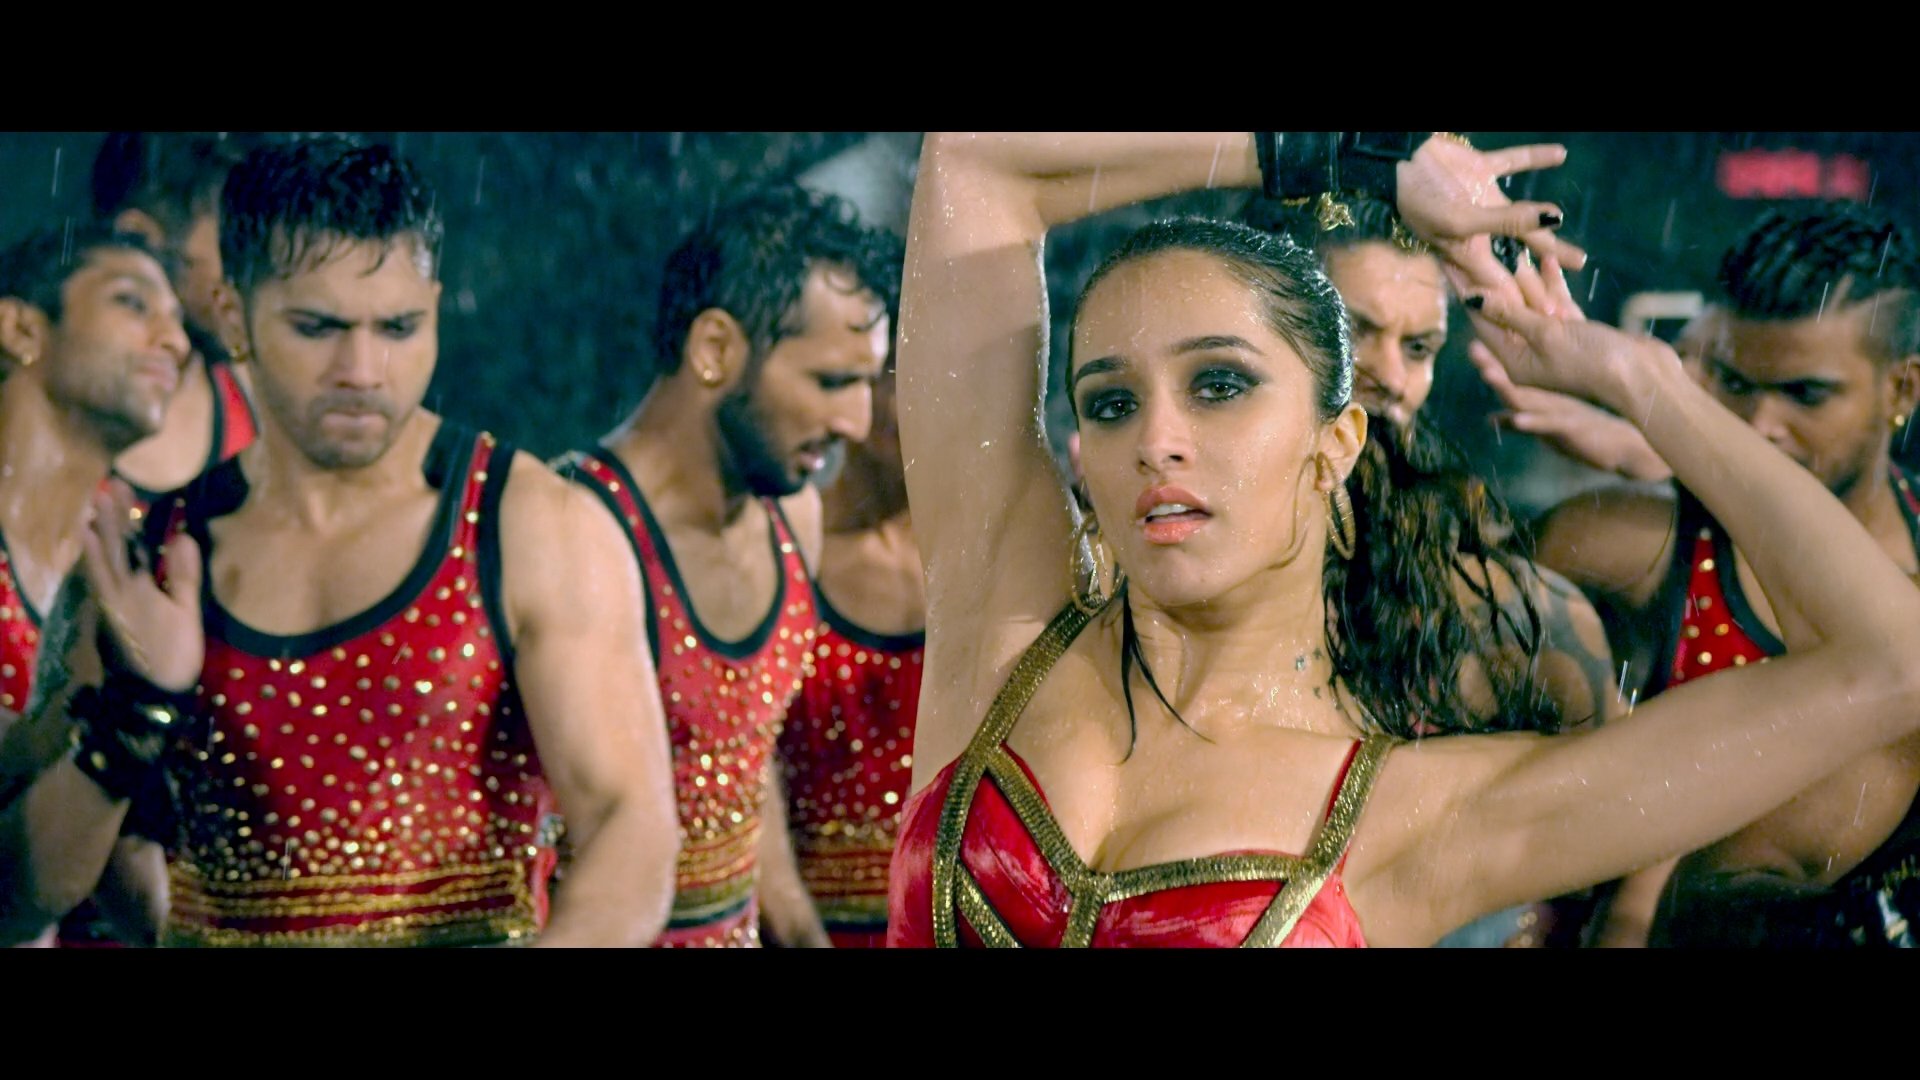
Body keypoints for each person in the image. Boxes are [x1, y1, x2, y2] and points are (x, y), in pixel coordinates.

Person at [885, 131, 1920, 949]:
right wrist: (1354, 150)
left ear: (1334, 442)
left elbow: (1892, 663)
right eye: (1110, 403)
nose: (1157, 439)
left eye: (1220, 384)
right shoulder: (1005, 629)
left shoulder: (1424, 812)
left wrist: (1639, 382)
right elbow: (977, 159)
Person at [2, 136, 680, 947]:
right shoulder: (152, 560)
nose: (362, 369)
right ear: (234, 317)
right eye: (317, 327)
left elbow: (632, 836)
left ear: (435, 310)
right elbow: (19, 897)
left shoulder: (537, 525)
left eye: (398, 326)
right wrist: (129, 717)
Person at [1528, 204, 1920, 947]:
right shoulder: (1624, 546)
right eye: (1736, 383)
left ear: (1902, 390)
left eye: (1805, 393)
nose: (1761, 423)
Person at [1255, 194, 1628, 946]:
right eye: (1352, 333)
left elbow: (1639, 812)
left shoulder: (1499, 608)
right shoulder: (1148, 570)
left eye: (1420, 347)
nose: (1391, 376)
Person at [558, 186, 899, 947]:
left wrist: (800, 930)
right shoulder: (572, 529)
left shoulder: (794, 516)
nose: (857, 422)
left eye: (867, 382)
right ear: (714, 349)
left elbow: (746, 765)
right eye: (831, 381)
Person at [0, 224, 190, 946]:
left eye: (177, 321)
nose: (175, 342)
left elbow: (144, 898)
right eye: (131, 303)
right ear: (22, 327)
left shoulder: (144, 562)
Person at [777, 341, 924, 948]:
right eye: (877, 379)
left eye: (921, 379)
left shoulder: (991, 568)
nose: (896, 404)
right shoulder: (787, 553)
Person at [91, 132, 262, 508]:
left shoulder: (263, 401)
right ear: (138, 236)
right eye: (237, 244)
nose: (261, 273)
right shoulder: (42, 393)